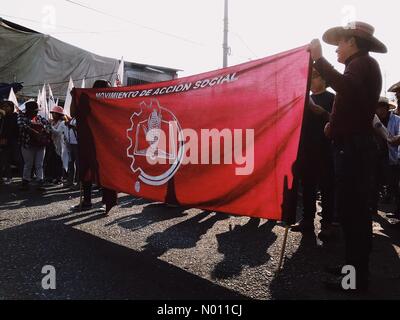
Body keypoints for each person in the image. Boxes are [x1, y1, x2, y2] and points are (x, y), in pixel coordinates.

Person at [309, 21, 387, 292]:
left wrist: (318, 59)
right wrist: (334, 124)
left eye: (340, 43)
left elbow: (346, 88)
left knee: (354, 217)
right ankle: (351, 270)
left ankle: (354, 280)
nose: (336, 49)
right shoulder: (360, 66)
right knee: (351, 215)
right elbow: (352, 103)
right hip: (351, 146)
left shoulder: (361, 64)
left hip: (355, 150)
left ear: (352, 42)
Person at [292, 69, 336, 241]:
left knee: (327, 188)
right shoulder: (303, 99)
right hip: (306, 150)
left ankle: (327, 224)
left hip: (325, 150)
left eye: (315, 76)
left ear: (324, 80)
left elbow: (337, 120)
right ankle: (307, 220)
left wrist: (322, 112)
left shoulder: (332, 98)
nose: (311, 80)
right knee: (308, 187)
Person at [71, 79, 117, 214]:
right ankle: (87, 201)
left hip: (106, 143)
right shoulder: (86, 98)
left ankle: (105, 202)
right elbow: (74, 113)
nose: (109, 90)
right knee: (85, 171)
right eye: (107, 88)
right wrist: (74, 97)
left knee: (105, 173)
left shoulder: (111, 101)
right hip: (89, 141)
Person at [17, 101, 52, 190]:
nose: (36, 112)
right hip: (27, 145)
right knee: (28, 164)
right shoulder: (21, 117)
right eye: (35, 110)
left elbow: (48, 125)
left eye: (37, 110)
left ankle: (40, 182)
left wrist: (44, 130)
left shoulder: (39, 118)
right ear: (28, 110)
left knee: (39, 164)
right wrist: (35, 132)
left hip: (40, 145)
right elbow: (21, 125)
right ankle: (25, 182)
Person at [0, 101, 19, 184]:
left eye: (6, 106)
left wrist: (5, 137)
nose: (4, 108)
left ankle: (25, 177)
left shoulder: (15, 117)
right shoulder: (3, 117)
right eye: (3, 106)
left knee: (17, 159)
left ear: (11, 107)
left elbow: (12, 129)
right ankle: (8, 176)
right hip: (4, 141)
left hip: (13, 141)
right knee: (5, 160)